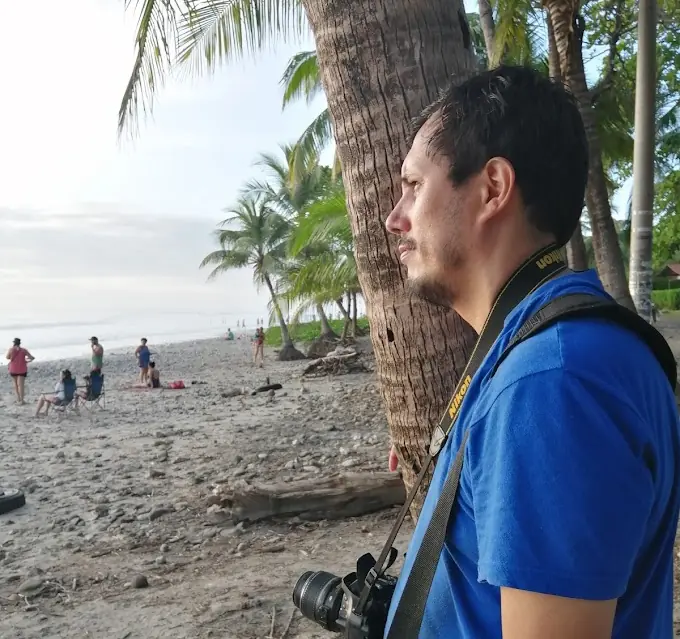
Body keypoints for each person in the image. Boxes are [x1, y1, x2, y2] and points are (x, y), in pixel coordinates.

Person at [383, 65, 680, 638]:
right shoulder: (548, 351)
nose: (394, 219)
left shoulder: (552, 381)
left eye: (414, 186)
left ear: (493, 188)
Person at [5, 338, 34, 405]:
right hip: (22, 369)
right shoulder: (23, 350)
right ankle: (22, 400)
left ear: (14, 343)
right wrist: (28, 360)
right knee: (21, 385)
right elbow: (31, 357)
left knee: (15, 384)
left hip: (13, 369)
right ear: (19, 343)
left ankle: (18, 399)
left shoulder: (11, 350)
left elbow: (7, 357)